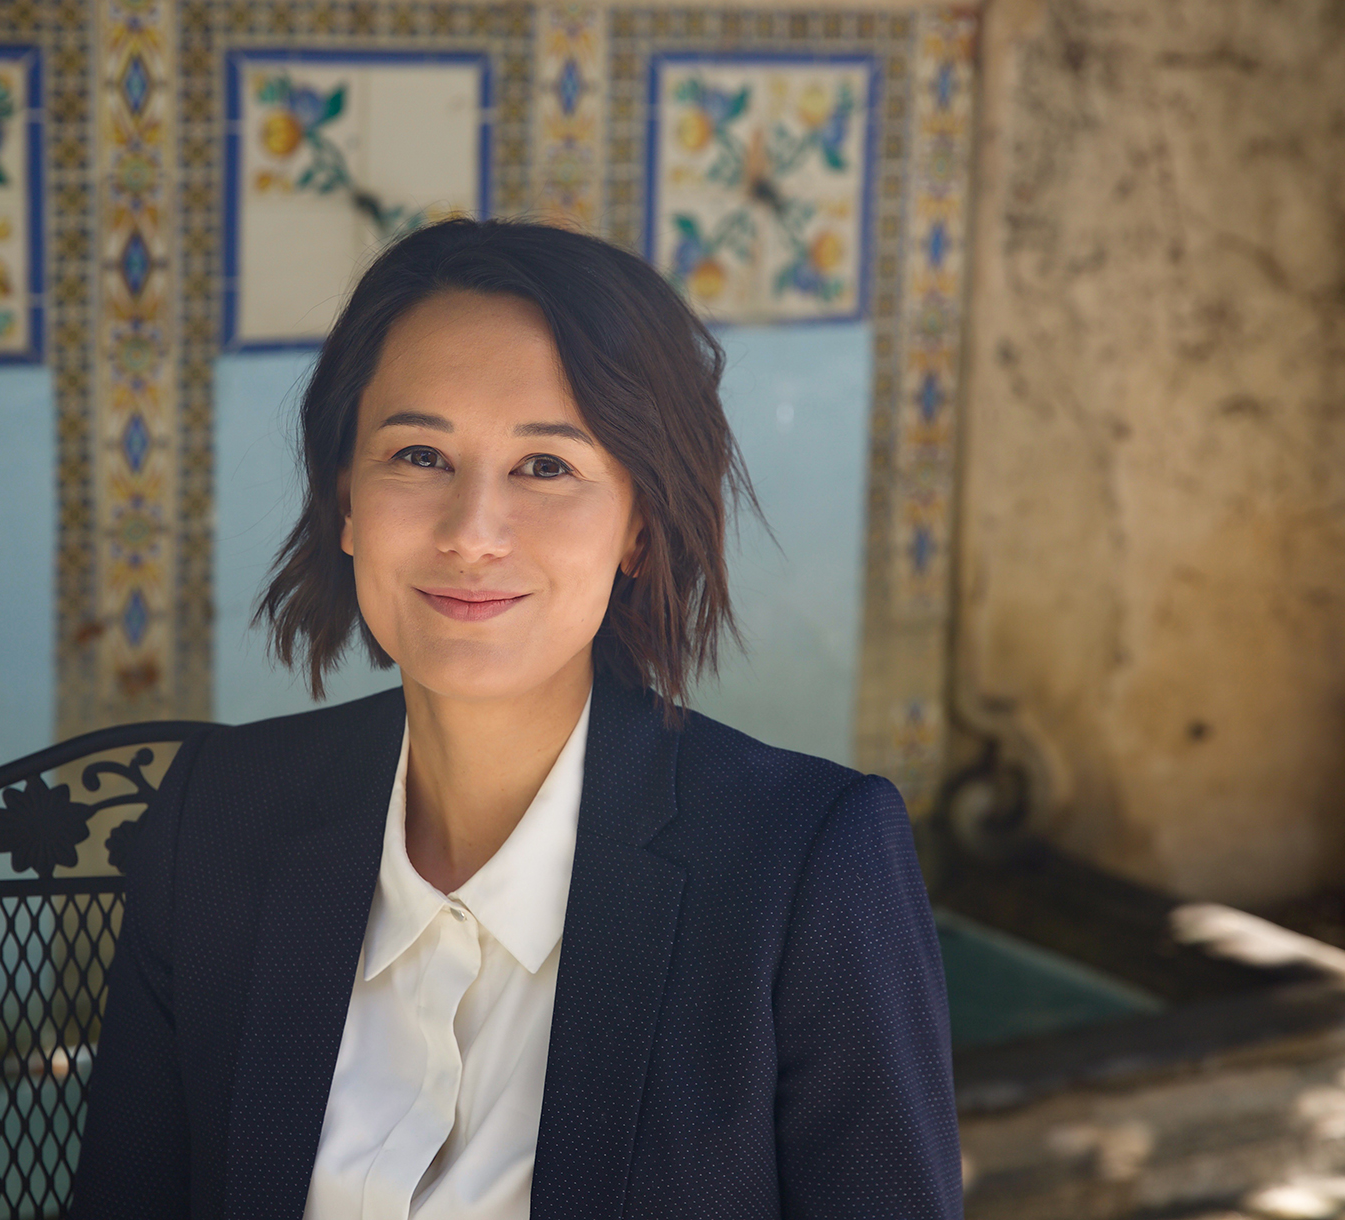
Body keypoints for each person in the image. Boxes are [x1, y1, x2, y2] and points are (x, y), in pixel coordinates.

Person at [69, 217, 961, 1219]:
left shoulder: (803, 862)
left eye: (546, 466)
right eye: (418, 454)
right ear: (345, 501)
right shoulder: (220, 816)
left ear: (638, 522)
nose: (472, 534)